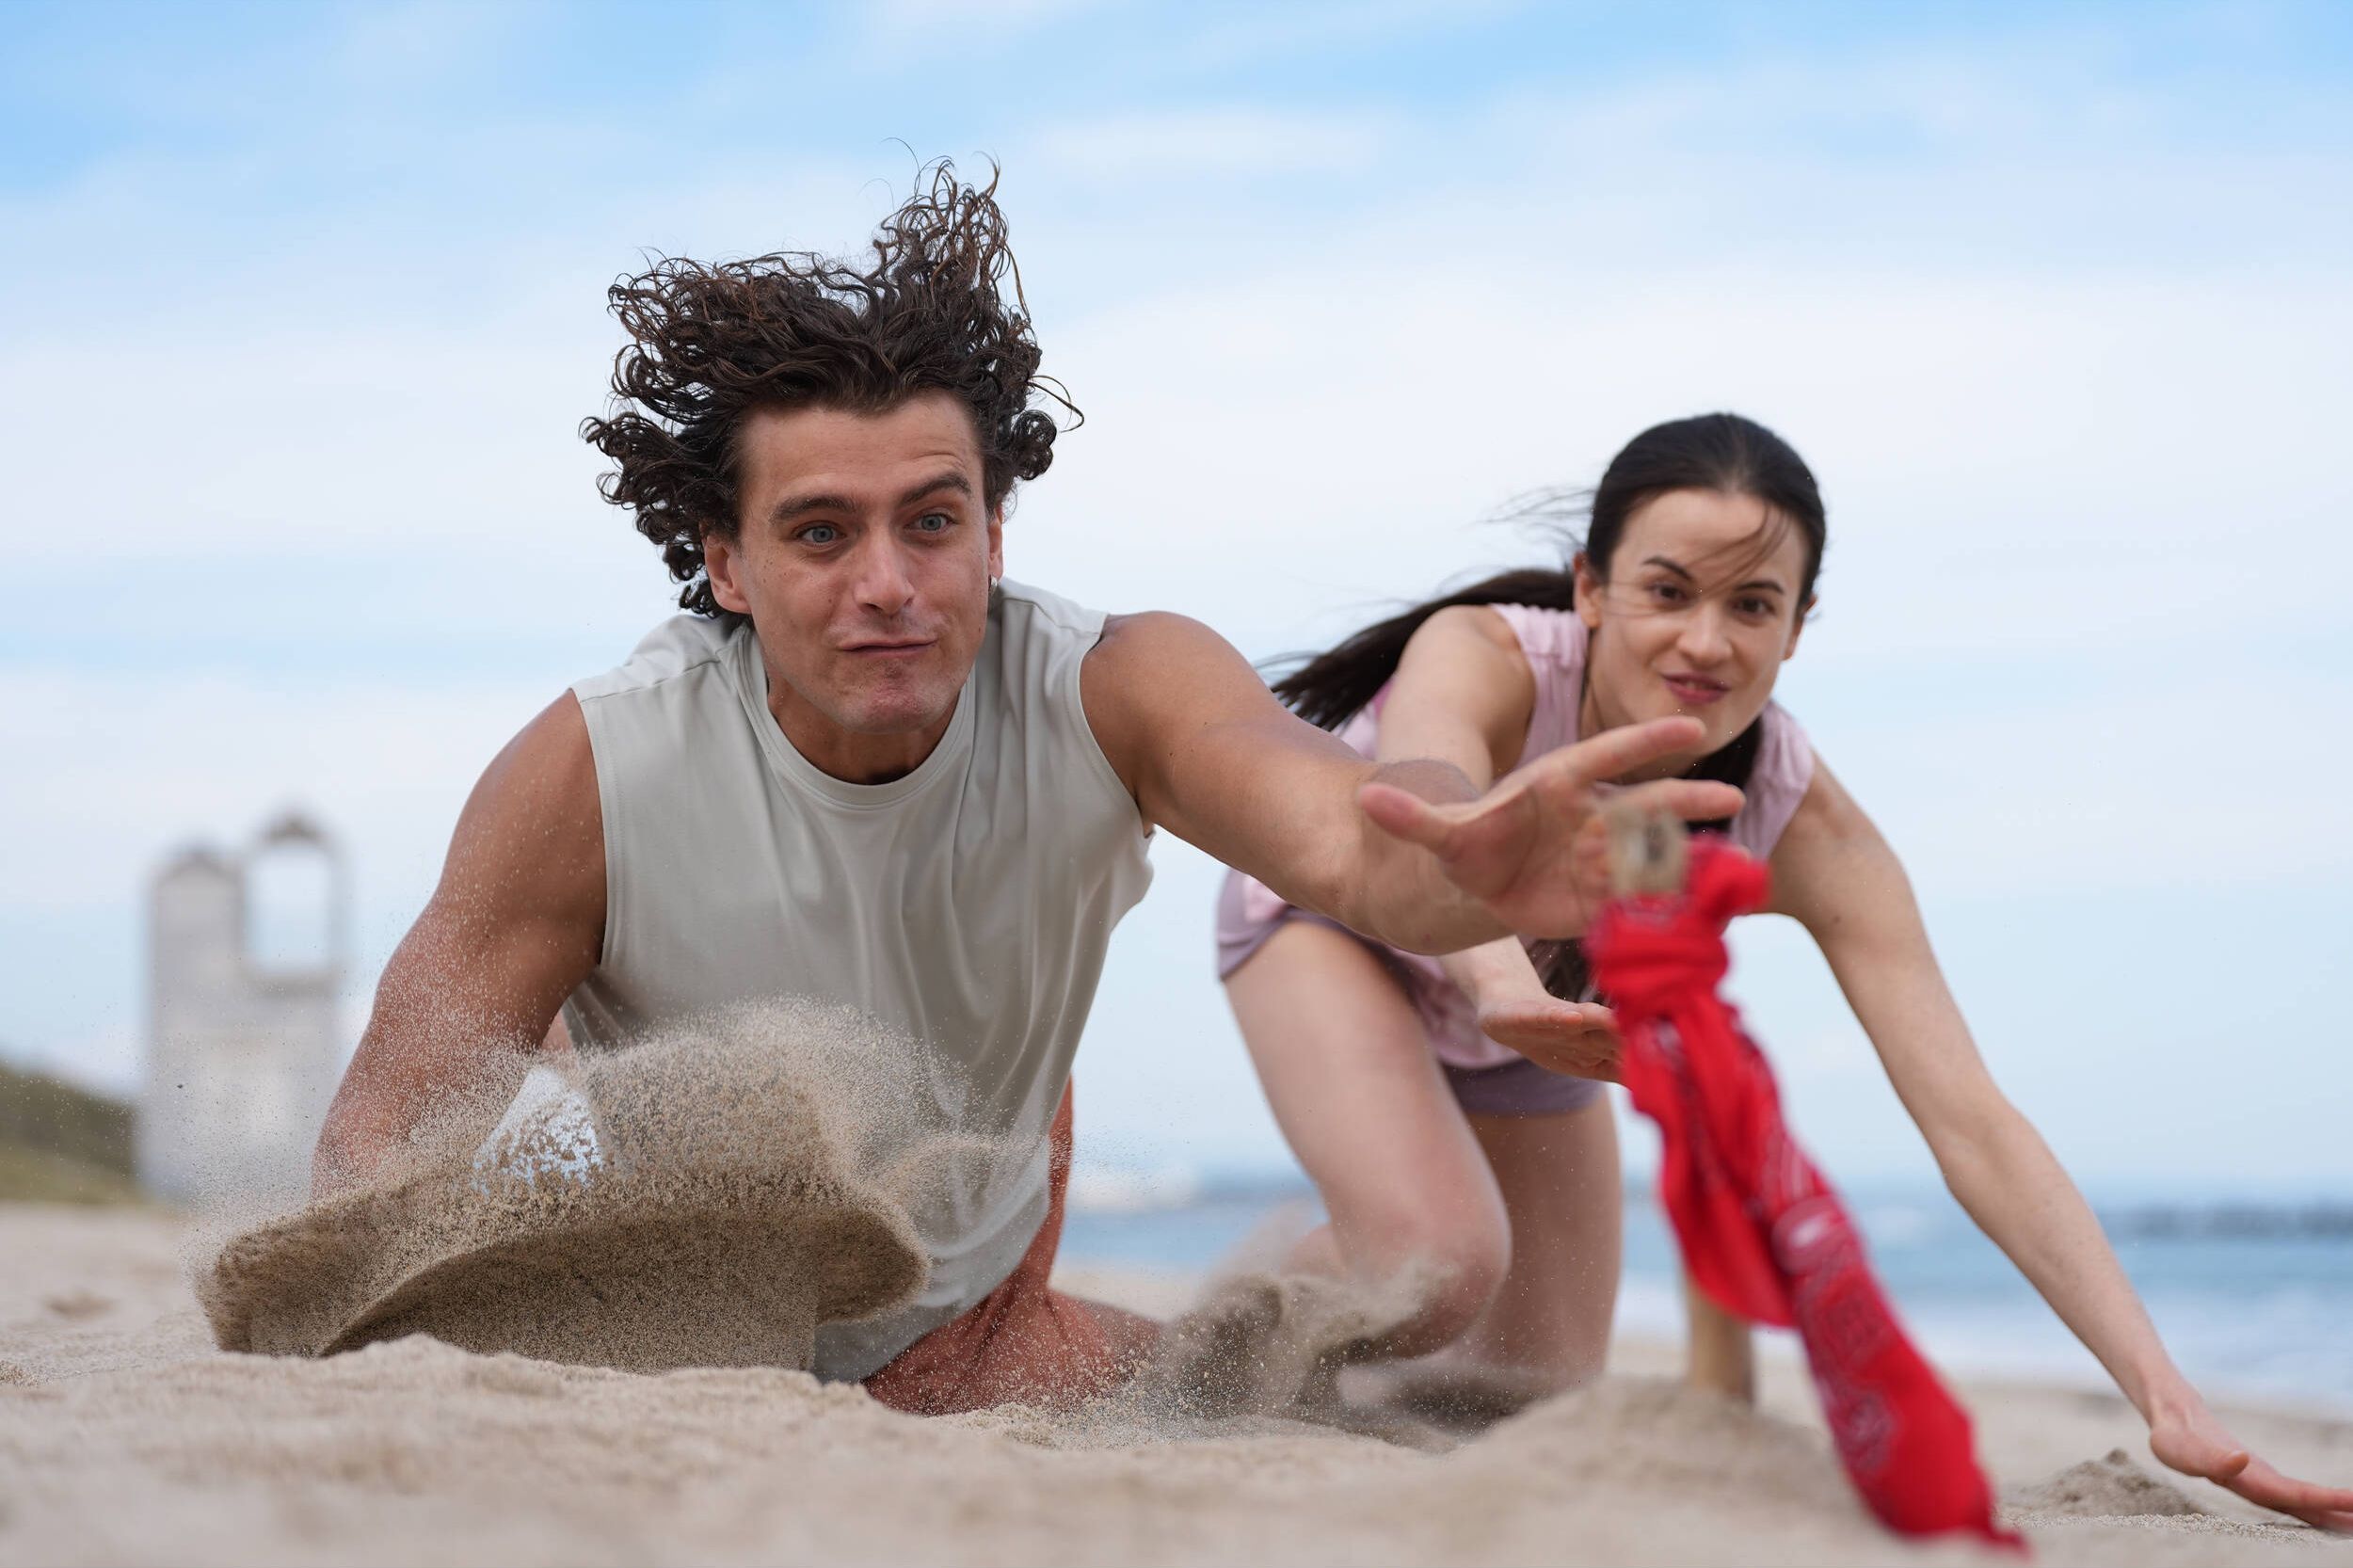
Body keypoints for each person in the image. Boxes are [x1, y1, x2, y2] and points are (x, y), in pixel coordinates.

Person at [309, 166, 1739, 1418]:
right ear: (725, 563)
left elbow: (1349, 842)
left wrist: (1462, 857)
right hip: (695, 1317)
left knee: (1411, 1362)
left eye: (931, 520)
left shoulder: (1116, 686)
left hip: (983, 1299)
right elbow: (374, 1149)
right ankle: (587, 1028)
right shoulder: (594, 770)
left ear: (996, 532)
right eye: (821, 532)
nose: (888, 582)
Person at [1219, 411, 2353, 1529]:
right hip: (1342, 935)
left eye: (1752, 605)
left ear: (1798, 626)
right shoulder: (1486, 655)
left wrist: (2167, 1399)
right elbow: (1427, 809)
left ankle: (1320, 1310)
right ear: (1591, 589)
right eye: (1668, 591)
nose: (1706, 642)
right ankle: (1210, 1343)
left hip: (1535, 1024)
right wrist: (1504, 987)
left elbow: (1970, 1120)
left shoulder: (1800, 819)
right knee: (1435, 1264)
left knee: (1530, 1388)